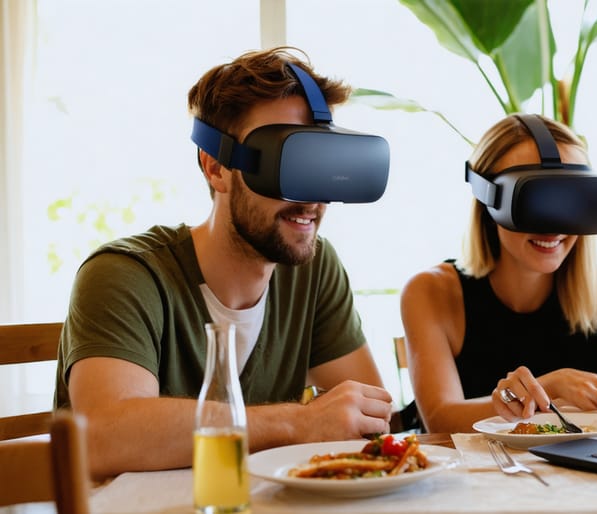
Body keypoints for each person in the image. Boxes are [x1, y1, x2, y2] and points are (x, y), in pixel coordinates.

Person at [53, 47, 393, 479]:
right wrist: (299, 422)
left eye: (321, 165)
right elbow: (104, 438)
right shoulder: (125, 275)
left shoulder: (313, 268)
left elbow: (371, 419)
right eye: (288, 163)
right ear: (215, 167)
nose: (311, 199)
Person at [400, 114, 597, 434]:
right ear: (488, 200)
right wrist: (554, 387)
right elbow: (441, 419)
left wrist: (543, 400)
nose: (554, 225)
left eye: (571, 200)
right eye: (534, 200)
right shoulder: (431, 291)